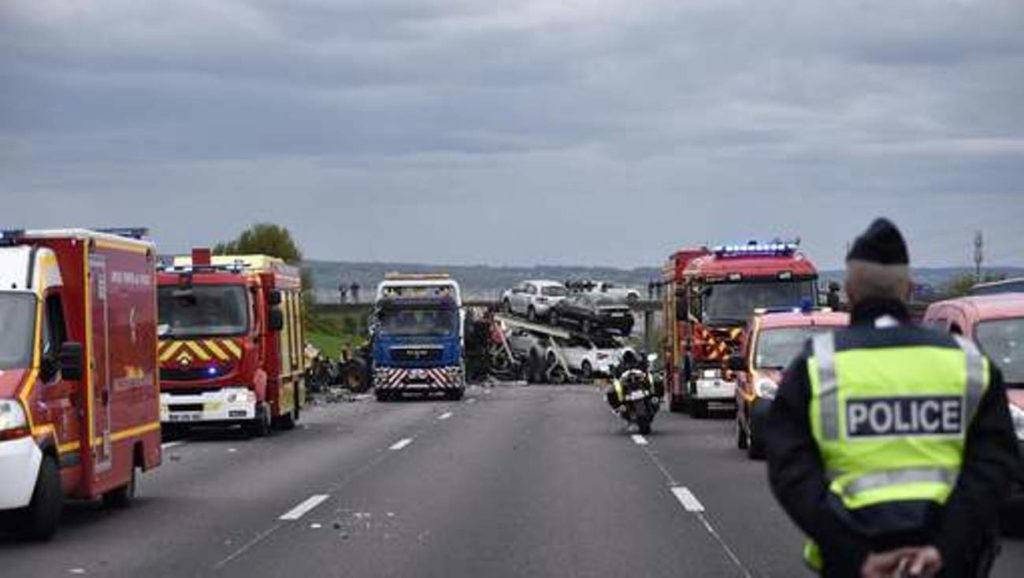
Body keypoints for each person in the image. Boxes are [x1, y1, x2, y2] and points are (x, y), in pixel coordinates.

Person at [765, 218, 1019, 578]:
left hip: (854, 565)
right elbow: (994, 466)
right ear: (910, 290)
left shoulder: (816, 366)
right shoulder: (968, 363)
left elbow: (791, 469)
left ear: (850, 292)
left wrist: (855, 553)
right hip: (949, 564)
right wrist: (943, 548)